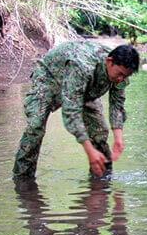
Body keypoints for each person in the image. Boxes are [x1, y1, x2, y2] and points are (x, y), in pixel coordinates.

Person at [13, 42, 139, 178]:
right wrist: (90, 151)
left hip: (87, 86)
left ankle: (101, 182)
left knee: (99, 133)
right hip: (50, 77)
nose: (121, 79)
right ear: (109, 62)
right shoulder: (82, 65)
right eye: (120, 74)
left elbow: (117, 105)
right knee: (35, 128)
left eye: (125, 76)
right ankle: (23, 181)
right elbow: (71, 111)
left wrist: (118, 138)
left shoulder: (120, 75)